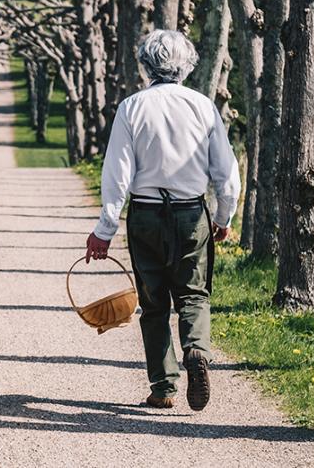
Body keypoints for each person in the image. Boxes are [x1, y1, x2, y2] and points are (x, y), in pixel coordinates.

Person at [85, 29, 241, 412]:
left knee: (154, 304)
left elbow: (117, 174)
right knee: (193, 293)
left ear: (146, 64)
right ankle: (197, 350)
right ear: (186, 65)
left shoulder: (132, 107)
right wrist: (224, 216)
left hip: (146, 214)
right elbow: (226, 172)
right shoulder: (203, 106)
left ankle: (163, 387)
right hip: (191, 212)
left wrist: (104, 231)